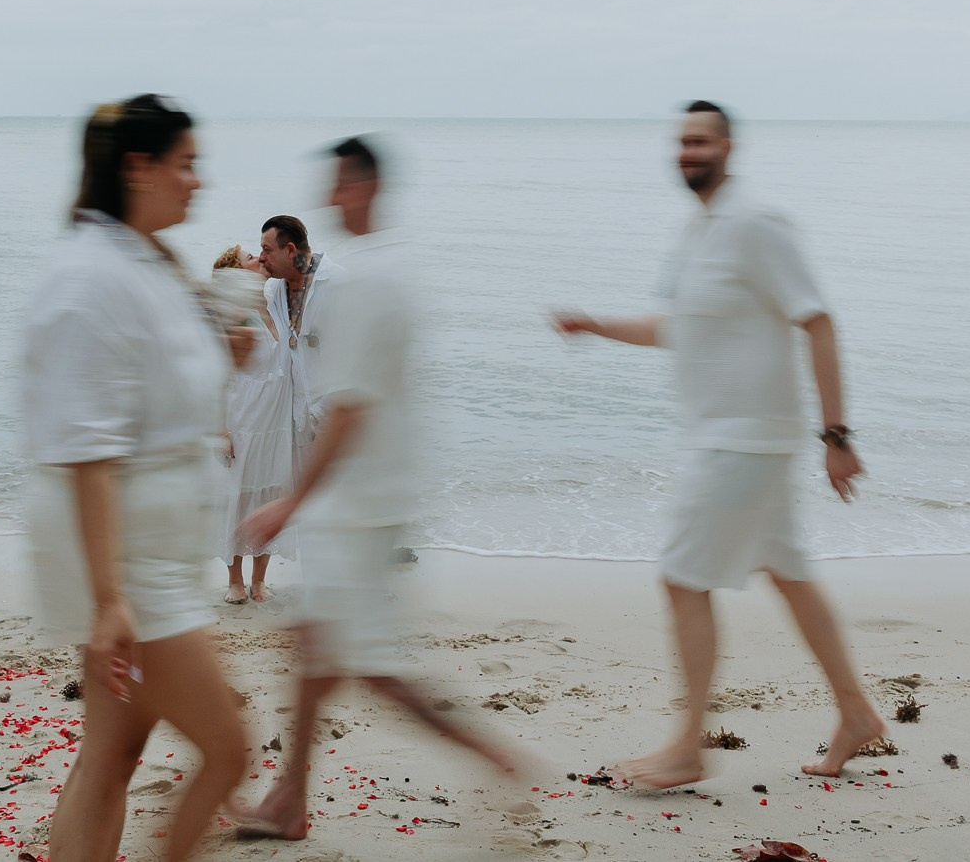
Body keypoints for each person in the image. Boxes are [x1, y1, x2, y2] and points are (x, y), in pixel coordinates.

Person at [551, 101, 884, 788]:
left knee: (682, 577)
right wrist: (594, 324)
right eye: (681, 141)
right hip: (733, 438)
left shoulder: (755, 224)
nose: (688, 151)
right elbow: (674, 327)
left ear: (728, 146)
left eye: (700, 140)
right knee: (789, 574)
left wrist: (837, 434)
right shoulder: (699, 230)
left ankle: (686, 746)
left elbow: (818, 320)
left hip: (744, 441)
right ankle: (856, 713)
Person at [234, 137, 516, 841]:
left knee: (373, 666)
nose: (330, 199)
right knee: (317, 651)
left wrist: (293, 501)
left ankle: (498, 761)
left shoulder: (364, 280)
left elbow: (351, 406)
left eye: (338, 185)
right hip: (372, 495)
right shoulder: (398, 267)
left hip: (355, 505)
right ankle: (287, 799)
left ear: (363, 187)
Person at [20, 96, 251, 862]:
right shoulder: (90, 278)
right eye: (185, 162)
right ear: (136, 166)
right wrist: (112, 598)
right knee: (227, 749)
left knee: (111, 756)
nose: (198, 180)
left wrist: (227, 353)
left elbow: (157, 398)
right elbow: (88, 447)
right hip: (132, 568)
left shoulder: (142, 260)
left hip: (151, 553)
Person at [210, 245, 293, 604]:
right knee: (238, 495)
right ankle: (234, 581)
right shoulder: (233, 314)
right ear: (236, 272)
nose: (258, 259)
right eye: (248, 258)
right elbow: (217, 375)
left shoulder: (277, 302)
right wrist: (221, 431)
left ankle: (259, 581)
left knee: (269, 494)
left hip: (276, 420)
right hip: (242, 418)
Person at [261, 213, 334, 451]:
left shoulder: (338, 284)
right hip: (293, 426)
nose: (261, 258)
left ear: (290, 250)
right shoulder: (272, 290)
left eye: (267, 249)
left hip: (332, 421)